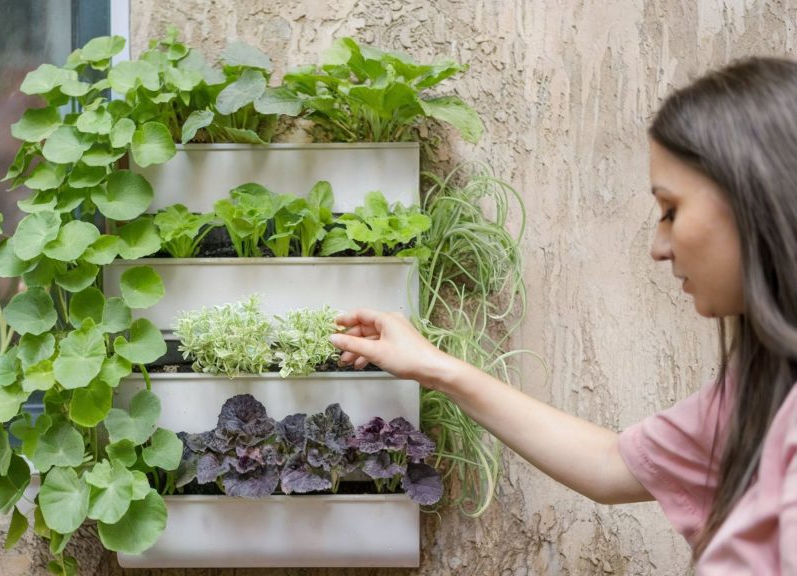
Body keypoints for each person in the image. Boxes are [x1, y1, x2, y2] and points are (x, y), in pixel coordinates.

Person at [329, 56, 797, 574]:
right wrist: (434, 366)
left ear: (756, 198)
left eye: (671, 211)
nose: (658, 247)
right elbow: (612, 465)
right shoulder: (761, 389)